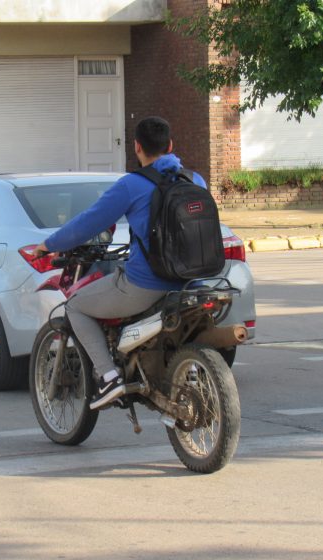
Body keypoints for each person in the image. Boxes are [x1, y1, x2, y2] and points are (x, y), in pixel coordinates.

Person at [34, 116, 207, 410]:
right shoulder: (194, 180)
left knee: (75, 306)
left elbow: (87, 223)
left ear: (137, 147)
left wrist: (48, 245)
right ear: (170, 145)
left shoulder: (132, 185)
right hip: (194, 281)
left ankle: (109, 377)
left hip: (147, 284)